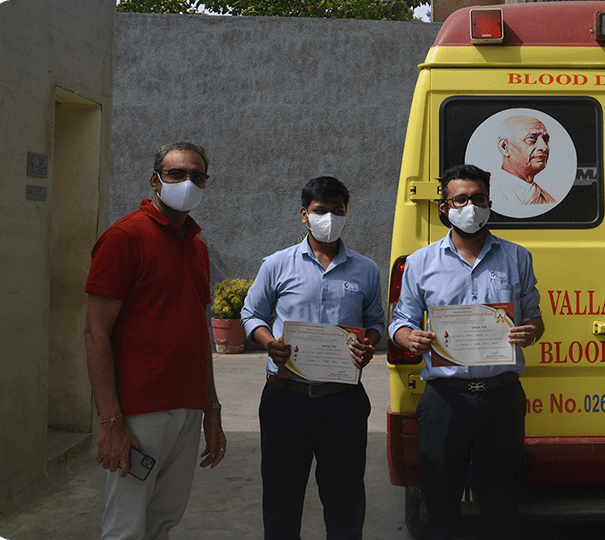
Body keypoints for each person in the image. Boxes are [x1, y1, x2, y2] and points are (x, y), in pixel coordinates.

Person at [389, 164, 544, 539]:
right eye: (460, 199)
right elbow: (399, 321)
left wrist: (531, 332)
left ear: (490, 203)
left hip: (500, 398)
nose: (469, 206)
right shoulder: (420, 262)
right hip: (445, 400)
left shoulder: (517, 257)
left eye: (477, 199)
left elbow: (536, 319)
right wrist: (408, 337)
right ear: (445, 207)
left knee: (501, 502)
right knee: (440, 504)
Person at [85, 141, 226, 540]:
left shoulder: (196, 246)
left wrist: (211, 409)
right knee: (126, 527)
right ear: (155, 180)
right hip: (140, 411)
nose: (187, 182)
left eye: (197, 176)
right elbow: (95, 333)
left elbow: (197, 333)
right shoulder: (124, 237)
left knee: (163, 521)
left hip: (189, 407)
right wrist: (111, 421)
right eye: (176, 173)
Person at [240, 176, 383, 540]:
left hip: (343, 401)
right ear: (304, 215)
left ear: (347, 214)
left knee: (345, 502)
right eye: (321, 211)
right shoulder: (277, 264)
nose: (329, 218)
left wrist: (368, 344)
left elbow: (375, 322)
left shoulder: (366, 269)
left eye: (338, 211)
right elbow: (251, 313)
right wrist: (268, 341)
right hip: (286, 400)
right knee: (281, 501)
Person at [493, 115, 555, 206]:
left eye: (546, 140)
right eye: (531, 138)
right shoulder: (489, 191)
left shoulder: (549, 200)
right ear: (504, 147)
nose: (544, 147)